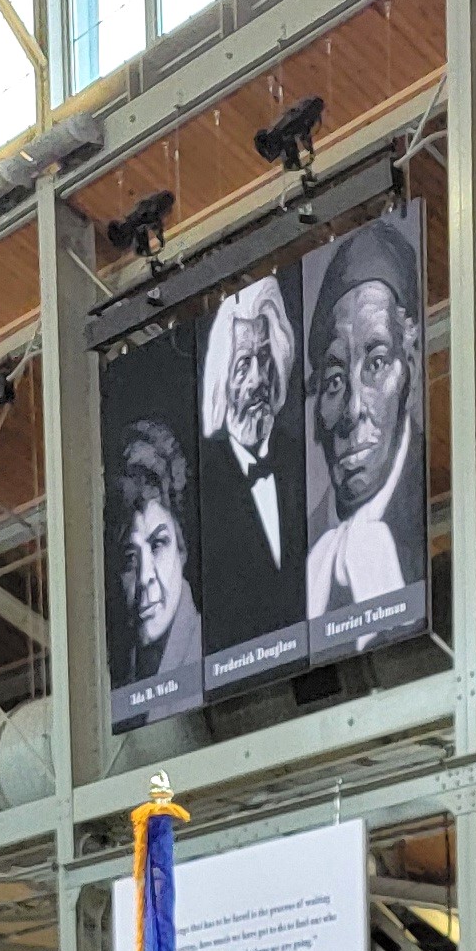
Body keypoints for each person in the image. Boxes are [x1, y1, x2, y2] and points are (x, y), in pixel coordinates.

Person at [305, 217, 425, 617]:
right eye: (335, 380)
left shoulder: (444, 504)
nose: (354, 411)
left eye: (376, 364)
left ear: (411, 366)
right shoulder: (295, 548)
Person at [199, 275, 306, 653]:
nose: (258, 379)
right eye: (244, 364)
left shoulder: (301, 462)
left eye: (265, 357)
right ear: (222, 381)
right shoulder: (201, 486)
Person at [109, 419, 201, 685]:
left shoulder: (209, 650)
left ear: (181, 548)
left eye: (158, 544)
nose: (144, 577)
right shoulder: (123, 674)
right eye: (129, 558)